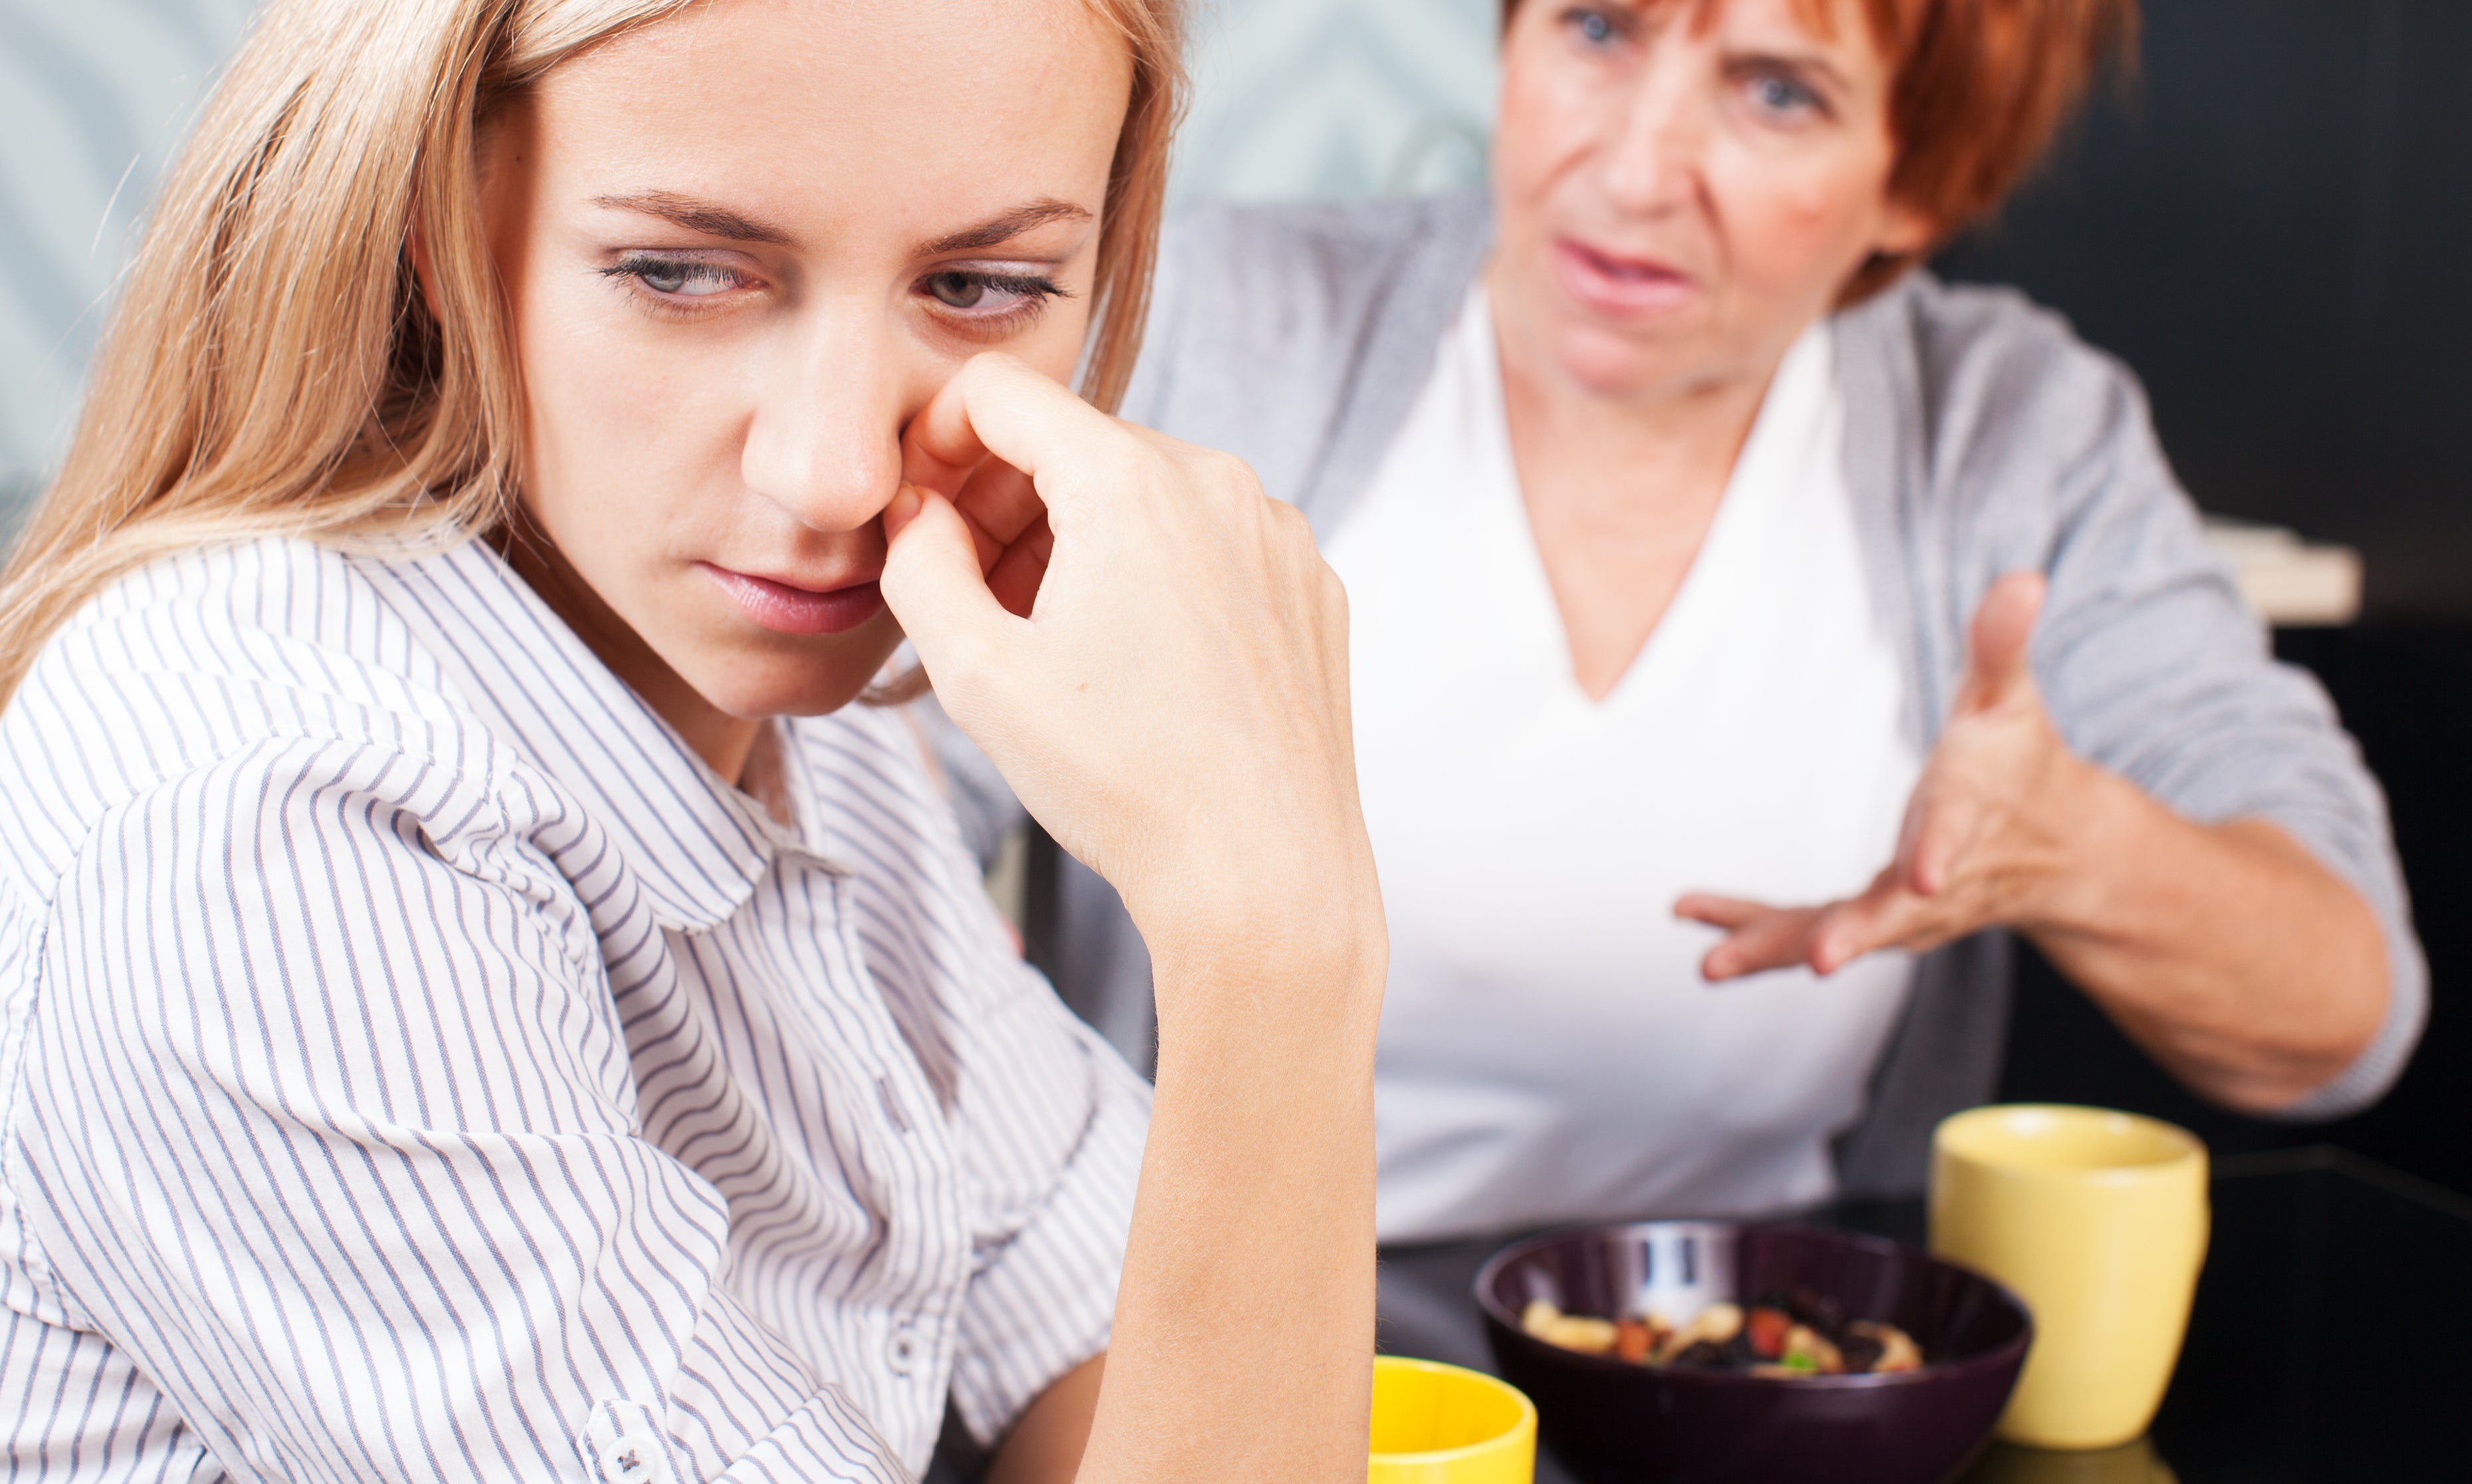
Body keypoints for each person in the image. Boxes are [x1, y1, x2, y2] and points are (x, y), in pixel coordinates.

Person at [0, 1, 1390, 1481]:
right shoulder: (263, 840)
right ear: (439, 221)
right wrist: (1273, 936)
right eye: (679, 271)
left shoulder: (772, 678)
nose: (837, 473)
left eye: (983, 284)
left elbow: (1072, 1317)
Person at [944, 0, 2427, 1271]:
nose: (1637, 169)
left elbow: (2342, 1013)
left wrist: (2076, 853)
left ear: (1912, 180)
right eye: (1597, 27)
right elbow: (874, 794)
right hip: (1203, 1364)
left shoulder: (2010, 432)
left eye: (1776, 89)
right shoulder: (1222, 320)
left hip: (1743, 1377)